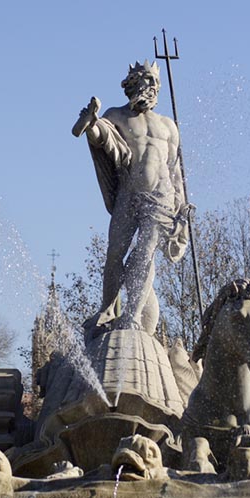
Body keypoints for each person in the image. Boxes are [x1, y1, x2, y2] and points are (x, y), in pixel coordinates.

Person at [73, 60, 191, 335]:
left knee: (145, 252)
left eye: (153, 83)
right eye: (145, 82)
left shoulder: (168, 126)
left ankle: (133, 314)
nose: (150, 88)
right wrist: (90, 123)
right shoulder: (117, 116)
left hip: (161, 199)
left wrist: (182, 207)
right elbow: (103, 136)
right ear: (131, 85)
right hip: (129, 192)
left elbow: (175, 169)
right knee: (115, 252)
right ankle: (107, 309)